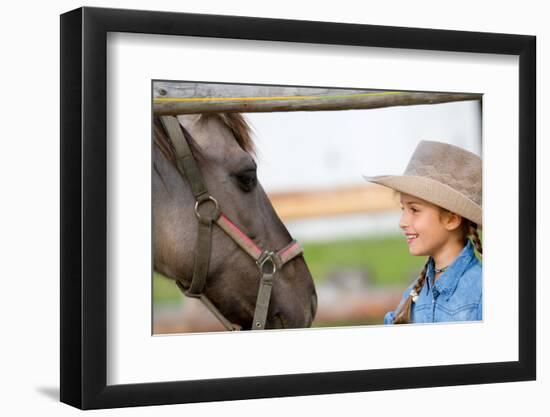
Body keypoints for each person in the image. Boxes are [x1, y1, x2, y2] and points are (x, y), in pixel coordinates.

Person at [363, 140, 482, 324]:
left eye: (415, 210)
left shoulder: (483, 291)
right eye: (403, 209)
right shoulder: (412, 298)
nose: (402, 222)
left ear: (451, 219)